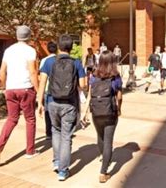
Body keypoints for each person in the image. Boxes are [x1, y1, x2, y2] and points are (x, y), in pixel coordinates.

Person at [37, 34, 86, 181]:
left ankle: (57, 161)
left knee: (55, 131)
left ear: (58, 46)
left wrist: (39, 103)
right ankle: (63, 171)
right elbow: (83, 86)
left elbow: (42, 83)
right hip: (69, 104)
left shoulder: (48, 62)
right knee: (66, 136)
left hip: (52, 101)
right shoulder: (76, 63)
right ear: (71, 47)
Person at [0, 25, 38, 166]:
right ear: (29, 36)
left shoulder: (8, 50)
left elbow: (2, 71)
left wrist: (6, 87)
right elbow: (33, 72)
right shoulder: (30, 51)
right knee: (30, 119)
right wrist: (38, 89)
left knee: (11, 119)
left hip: (11, 89)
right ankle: (30, 151)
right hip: (25, 88)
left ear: (17, 36)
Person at [82, 51, 122, 184]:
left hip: (96, 112)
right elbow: (119, 95)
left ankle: (104, 157)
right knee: (108, 142)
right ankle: (103, 172)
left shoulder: (93, 76)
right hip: (110, 112)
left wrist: (85, 111)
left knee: (100, 137)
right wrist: (119, 108)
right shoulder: (115, 76)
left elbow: (89, 94)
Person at [39, 41, 58, 140]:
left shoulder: (44, 61)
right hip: (58, 89)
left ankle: (48, 133)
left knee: (47, 112)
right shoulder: (59, 59)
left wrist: (39, 98)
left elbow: (41, 78)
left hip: (47, 89)